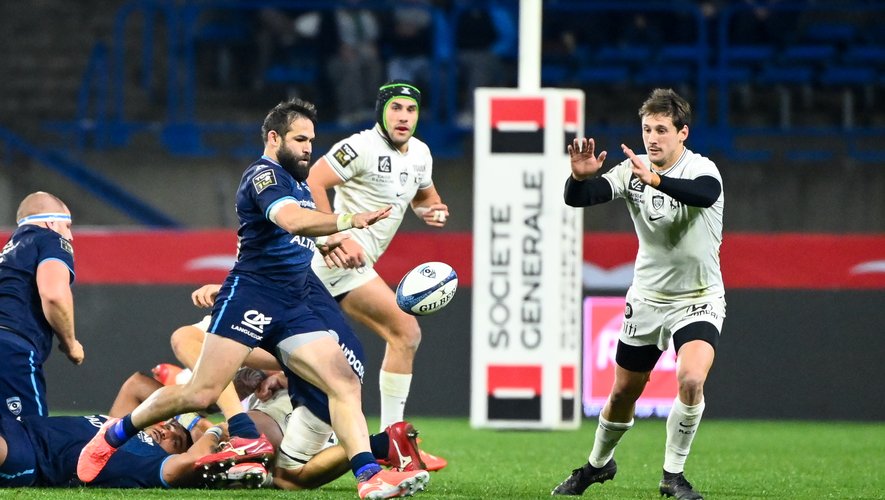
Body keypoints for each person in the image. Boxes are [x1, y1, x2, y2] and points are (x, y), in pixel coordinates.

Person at [77, 98, 429, 499]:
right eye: (299, 139)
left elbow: (296, 232)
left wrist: (326, 241)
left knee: (344, 381)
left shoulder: (298, 183)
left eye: (311, 140)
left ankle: (369, 477)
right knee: (200, 393)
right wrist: (348, 221)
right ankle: (114, 434)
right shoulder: (264, 176)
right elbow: (291, 219)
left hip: (294, 304)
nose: (308, 148)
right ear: (274, 138)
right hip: (252, 298)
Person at [551, 88, 725, 500]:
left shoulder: (702, 169)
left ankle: (673, 475)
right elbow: (579, 199)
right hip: (646, 299)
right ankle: (597, 465)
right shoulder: (632, 170)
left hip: (698, 297)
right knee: (623, 392)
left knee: (691, 378)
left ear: (682, 133)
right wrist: (579, 178)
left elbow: (705, 194)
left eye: (662, 130)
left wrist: (657, 180)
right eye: (647, 129)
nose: (652, 138)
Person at [306, 80, 448, 470]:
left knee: (405, 332)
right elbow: (314, 180)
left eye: (411, 109)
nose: (404, 116)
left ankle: (392, 441)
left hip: (354, 269)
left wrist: (432, 209)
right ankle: (196, 392)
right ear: (381, 112)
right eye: (396, 108)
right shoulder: (361, 147)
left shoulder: (421, 153)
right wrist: (333, 237)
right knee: (273, 353)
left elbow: (424, 196)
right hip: (325, 261)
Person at [174, 279, 433, 491]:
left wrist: (220, 425)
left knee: (283, 477)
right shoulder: (286, 270)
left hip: (317, 384)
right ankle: (381, 447)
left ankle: (375, 458)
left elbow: (189, 349)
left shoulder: (258, 289)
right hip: (328, 370)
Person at [0, 191, 83, 418]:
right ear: (51, 222)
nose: (70, 236)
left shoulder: (10, 254)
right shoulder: (51, 239)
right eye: (68, 226)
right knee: (30, 434)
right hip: (11, 349)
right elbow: (53, 294)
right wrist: (71, 344)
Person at [0, 410, 227, 488]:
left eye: (175, 442)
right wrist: (192, 420)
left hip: (28, 455)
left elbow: (189, 462)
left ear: (176, 453)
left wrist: (215, 431)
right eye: (168, 427)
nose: (166, 433)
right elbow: (136, 384)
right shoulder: (125, 426)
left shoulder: (151, 461)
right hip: (18, 425)